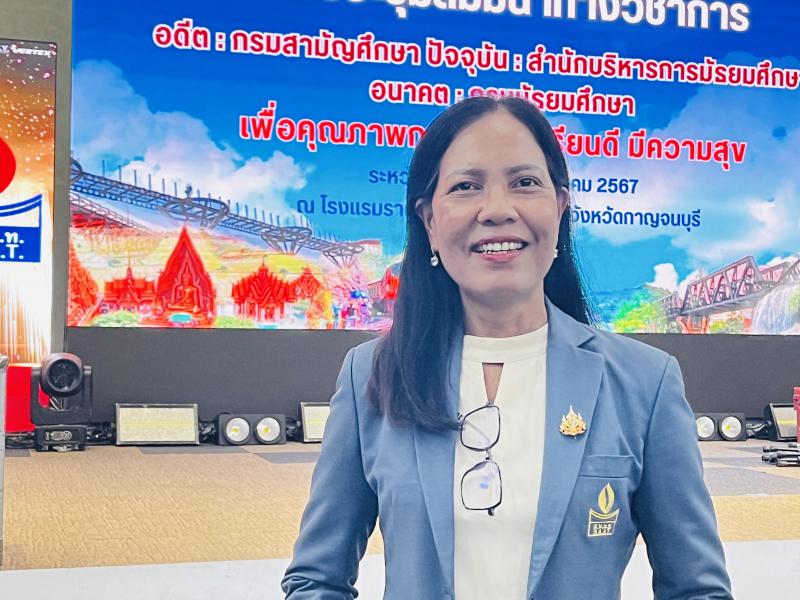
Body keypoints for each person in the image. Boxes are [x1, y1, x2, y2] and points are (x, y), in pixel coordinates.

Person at [282, 97, 732, 600]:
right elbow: (316, 579)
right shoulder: (373, 374)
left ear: (560, 207)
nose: (497, 209)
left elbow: (697, 588)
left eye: (524, 182)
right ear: (429, 221)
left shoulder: (644, 382)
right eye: (466, 186)